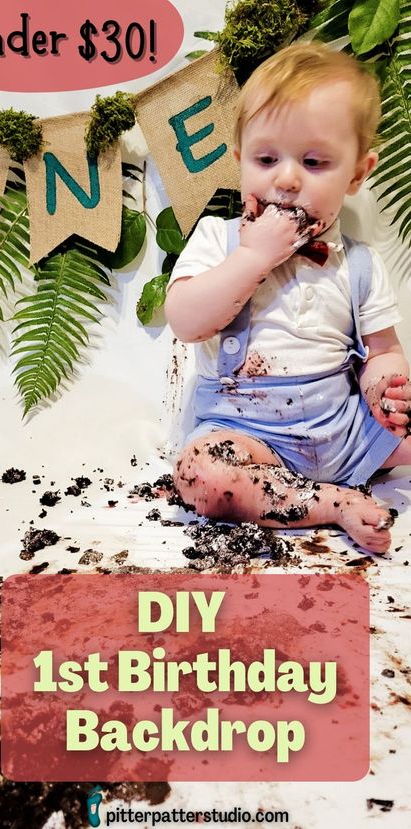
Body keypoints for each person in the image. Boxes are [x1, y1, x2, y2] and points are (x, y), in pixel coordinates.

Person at [165, 42, 411, 554]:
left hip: (346, 428)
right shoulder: (218, 239)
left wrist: (384, 388)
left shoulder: (358, 263)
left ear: (358, 173)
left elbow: (382, 348)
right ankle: (330, 503)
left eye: (315, 161)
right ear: (239, 162)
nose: (287, 178)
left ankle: (340, 476)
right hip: (248, 436)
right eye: (266, 158)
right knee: (197, 476)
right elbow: (186, 321)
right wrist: (253, 258)